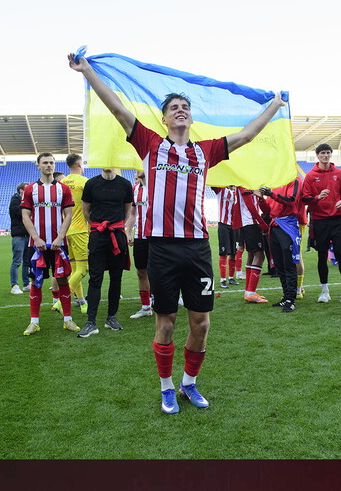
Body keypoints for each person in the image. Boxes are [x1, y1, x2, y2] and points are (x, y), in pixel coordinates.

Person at [69, 52, 286, 414]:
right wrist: (87, 70)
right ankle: (167, 387)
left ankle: (189, 383)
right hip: (163, 249)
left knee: (201, 323)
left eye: (185, 106)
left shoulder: (206, 152)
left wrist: (275, 105)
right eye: (174, 107)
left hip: (198, 248)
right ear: (166, 118)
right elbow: (119, 109)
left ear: (190, 116)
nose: (181, 110)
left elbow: (248, 134)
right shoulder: (151, 145)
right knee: (166, 323)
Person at [20, 152, 79, 335]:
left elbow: (69, 214)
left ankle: (67, 320)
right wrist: (36, 238)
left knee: (62, 279)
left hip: (58, 244)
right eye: (45, 162)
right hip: (36, 244)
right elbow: (25, 215)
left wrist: (61, 237)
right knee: (35, 282)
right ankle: (34, 322)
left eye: (51, 163)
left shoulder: (63, 189)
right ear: (38, 165)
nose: (49, 165)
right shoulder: (30, 189)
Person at [76, 168, 134, 337]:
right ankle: (91, 322)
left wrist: (116, 225)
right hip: (97, 236)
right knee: (95, 278)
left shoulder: (125, 184)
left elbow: (127, 211)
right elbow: (86, 210)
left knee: (116, 278)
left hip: (117, 235)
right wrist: (97, 226)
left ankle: (111, 317)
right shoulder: (91, 183)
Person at [300, 143, 341, 303]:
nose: (325, 155)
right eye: (322, 153)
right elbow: (305, 198)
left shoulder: (339, 172)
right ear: (318, 155)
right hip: (319, 221)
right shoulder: (310, 176)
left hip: (338, 219)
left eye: (328, 152)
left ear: (331, 154)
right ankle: (325, 291)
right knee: (322, 256)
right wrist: (318, 197)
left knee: (340, 253)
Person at [259, 176, 301, 312]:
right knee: (279, 265)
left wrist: (270, 193)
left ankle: (291, 299)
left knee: (289, 264)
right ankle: (286, 297)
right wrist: (261, 198)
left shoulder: (293, 180)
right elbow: (267, 210)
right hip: (275, 226)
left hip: (288, 225)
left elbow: (290, 201)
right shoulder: (275, 182)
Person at [61, 154, 91, 313]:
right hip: (79, 230)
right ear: (79, 165)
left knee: (75, 269)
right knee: (83, 269)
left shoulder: (61, 183)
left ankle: (81, 302)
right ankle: (61, 300)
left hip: (65, 231)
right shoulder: (84, 182)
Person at [233, 186, 271, 303]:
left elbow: (265, 209)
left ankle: (248, 292)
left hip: (248, 223)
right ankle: (250, 293)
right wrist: (262, 223)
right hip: (250, 223)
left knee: (251, 255)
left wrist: (261, 198)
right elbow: (250, 206)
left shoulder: (251, 183)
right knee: (260, 256)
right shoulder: (244, 183)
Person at [127, 170, 154, 319]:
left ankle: (167, 299)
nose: (138, 170)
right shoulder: (135, 189)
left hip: (157, 237)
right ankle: (146, 307)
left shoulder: (158, 186)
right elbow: (132, 214)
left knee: (160, 271)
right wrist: (128, 232)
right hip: (140, 237)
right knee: (141, 271)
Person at [213, 185, 240, 288]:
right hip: (223, 225)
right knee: (224, 253)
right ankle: (223, 279)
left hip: (235, 226)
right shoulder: (221, 190)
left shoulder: (238, 193)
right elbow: (213, 182)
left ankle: (231, 278)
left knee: (234, 252)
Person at [9, 182, 32, 294]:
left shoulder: (25, 201)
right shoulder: (15, 200)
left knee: (27, 262)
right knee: (17, 261)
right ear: (21, 191)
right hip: (18, 236)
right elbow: (21, 213)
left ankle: (26, 284)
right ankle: (14, 285)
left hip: (27, 235)